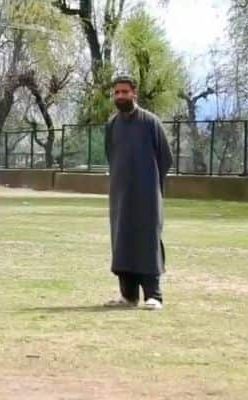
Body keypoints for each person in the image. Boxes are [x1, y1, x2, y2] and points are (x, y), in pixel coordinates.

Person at [103, 75, 173, 311]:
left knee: (147, 240)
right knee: (123, 240)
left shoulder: (150, 122)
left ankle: (154, 295)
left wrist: (150, 182)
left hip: (147, 195)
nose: (120, 96)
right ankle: (128, 295)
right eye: (117, 93)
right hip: (121, 194)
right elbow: (111, 157)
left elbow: (165, 157)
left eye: (124, 92)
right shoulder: (112, 125)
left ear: (135, 93)